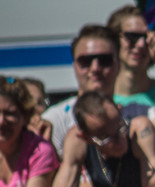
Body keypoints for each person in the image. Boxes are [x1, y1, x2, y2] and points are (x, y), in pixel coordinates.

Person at [42, 24, 120, 158]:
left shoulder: (136, 115)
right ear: (74, 66)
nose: (95, 68)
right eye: (86, 61)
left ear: (119, 64)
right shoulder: (55, 120)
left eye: (104, 60)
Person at [106, 4, 155, 115]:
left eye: (147, 38)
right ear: (114, 40)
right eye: (132, 37)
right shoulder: (102, 96)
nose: (141, 44)